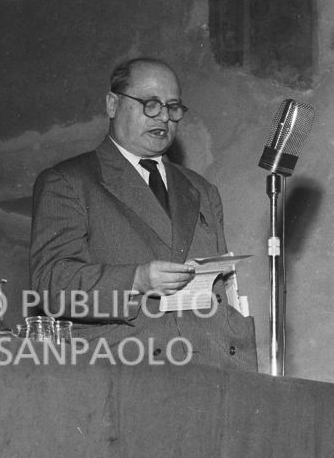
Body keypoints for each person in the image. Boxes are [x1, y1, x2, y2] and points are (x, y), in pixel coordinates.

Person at [29, 57, 257, 370]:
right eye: (150, 104)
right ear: (112, 104)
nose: (163, 117)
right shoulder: (69, 182)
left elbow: (223, 291)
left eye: (172, 107)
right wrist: (136, 280)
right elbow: (53, 285)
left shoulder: (202, 190)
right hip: (129, 371)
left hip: (214, 370)